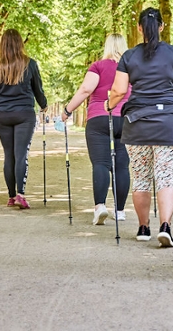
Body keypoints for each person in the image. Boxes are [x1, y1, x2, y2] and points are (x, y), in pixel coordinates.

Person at [107, 7, 173, 247]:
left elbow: (118, 91)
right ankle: (165, 226)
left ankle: (143, 227)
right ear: (162, 26)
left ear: (138, 28)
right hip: (169, 124)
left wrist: (109, 104)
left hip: (138, 126)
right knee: (166, 178)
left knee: (141, 178)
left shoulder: (128, 56)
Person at [61, 34, 132, 225]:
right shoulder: (132, 67)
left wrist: (68, 110)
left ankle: (100, 207)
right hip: (125, 119)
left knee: (100, 163)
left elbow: (85, 89)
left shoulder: (98, 66)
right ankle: (120, 211)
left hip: (99, 118)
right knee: (122, 166)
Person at [0, 29, 48, 209]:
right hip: (25, 114)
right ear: (20, 43)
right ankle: (20, 194)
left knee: (9, 155)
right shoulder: (30, 64)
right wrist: (44, 105)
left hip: (3, 115)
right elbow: (37, 89)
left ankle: (11, 196)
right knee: (21, 154)